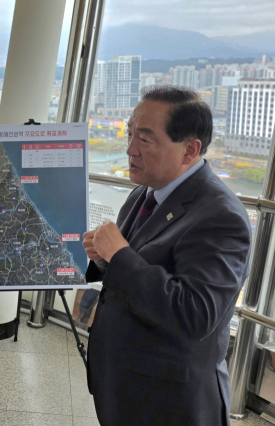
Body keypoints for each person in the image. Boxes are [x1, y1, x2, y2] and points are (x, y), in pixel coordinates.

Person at [82, 86, 251, 426]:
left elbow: (195, 313)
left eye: (145, 140)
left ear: (190, 150)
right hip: (125, 383)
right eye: (130, 134)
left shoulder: (221, 216)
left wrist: (119, 255)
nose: (130, 149)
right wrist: (103, 257)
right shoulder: (145, 191)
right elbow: (137, 265)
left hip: (168, 401)